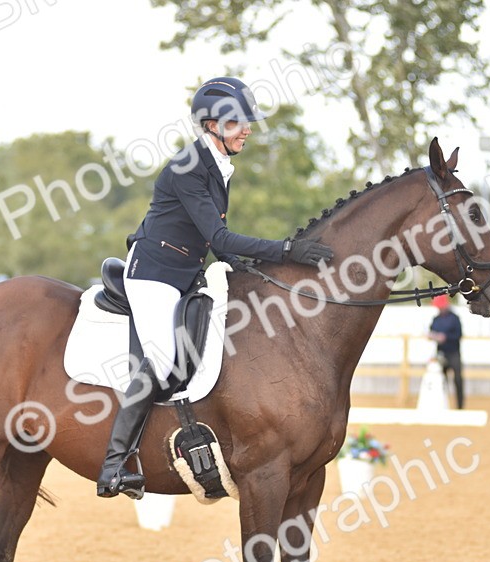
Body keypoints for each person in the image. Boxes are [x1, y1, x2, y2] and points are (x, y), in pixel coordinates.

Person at [96, 76, 334, 499]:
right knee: (164, 358)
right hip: (155, 273)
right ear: (211, 124)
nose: (247, 129)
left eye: (247, 121)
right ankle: (115, 464)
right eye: (238, 122)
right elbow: (220, 238)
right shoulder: (188, 167)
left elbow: (209, 239)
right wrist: (286, 250)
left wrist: (247, 265)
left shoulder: (220, 162)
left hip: (188, 269)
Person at [428, 294, 464, 409]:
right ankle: (443, 405)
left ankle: (460, 407)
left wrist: (445, 337)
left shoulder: (454, 318)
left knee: (457, 380)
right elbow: (431, 331)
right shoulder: (436, 319)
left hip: (453, 353)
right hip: (441, 354)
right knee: (442, 381)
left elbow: (458, 335)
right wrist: (433, 336)